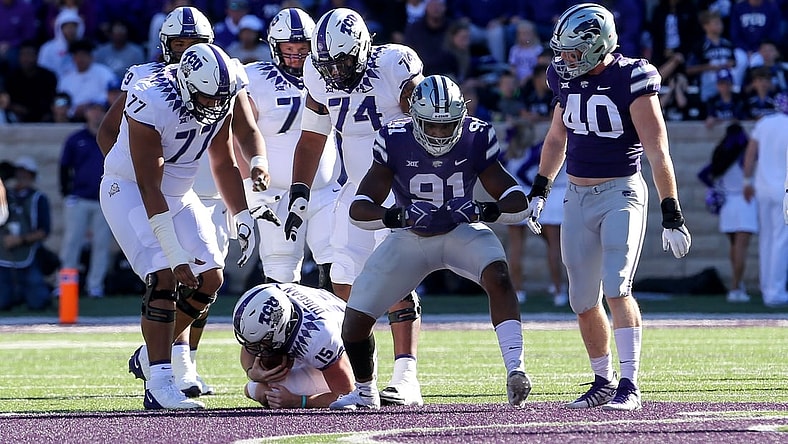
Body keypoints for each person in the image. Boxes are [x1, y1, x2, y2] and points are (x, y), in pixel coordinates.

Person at [98, 6, 272, 400]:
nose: (214, 106)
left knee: (211, 277)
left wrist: (241, 213)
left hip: (177, 191)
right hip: (129, 188)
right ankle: (159, 382)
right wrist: (174, 253)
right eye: (208, 98)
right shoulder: (150, 98)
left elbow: (224, 159)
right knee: (163, 274)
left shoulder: (221, 87)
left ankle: (149, 355)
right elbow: (148, 184)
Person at [328, 74, 532, 410]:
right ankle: (365, 392)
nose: (439, 133)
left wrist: (483, 209)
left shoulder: (475, 135)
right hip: (411, 237)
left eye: (447, 125)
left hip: (458, 232)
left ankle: (516, 370)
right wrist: (399, 217)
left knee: (498, 274)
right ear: (414, 117)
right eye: (432, 126)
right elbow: (359, 208)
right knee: (354, 321)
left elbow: (515, 199)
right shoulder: (394, 138)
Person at [526, 4, 691, 411]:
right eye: (560, 52)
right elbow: (554, 139)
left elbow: (657, 148)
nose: (563, 60)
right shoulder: (563, 78)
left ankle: (630, 385)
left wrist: (672, 211)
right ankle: (603, 380)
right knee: (582, 301)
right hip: (577, 198)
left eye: (571, 52)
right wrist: (540, 190)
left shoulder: (631, 76)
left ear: (596, 46)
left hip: (621, 192)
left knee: (617, 286)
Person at [287, 7, 425, 406]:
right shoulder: (316, 71)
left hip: (400, 187)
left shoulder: (395, 66)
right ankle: (363, 385)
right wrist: (299, 191)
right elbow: (313, 138)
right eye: (328, 62)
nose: (335, 71)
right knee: (344, 281)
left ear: (364, 49)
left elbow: (431, 121)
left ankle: (406, 375)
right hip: (356, 191)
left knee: (396, 280)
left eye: (344, 61)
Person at [243, 7, 339, 289]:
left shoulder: (331, 76)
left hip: (324, 189)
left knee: (338, 266)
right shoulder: (254, 78)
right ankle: (283, 334)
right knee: (281, 269)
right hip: (276, 192)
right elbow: (240, 134)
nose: (296, 53)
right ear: (275, 47)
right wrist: (250, 185)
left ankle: (339, 332)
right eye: (289, 47)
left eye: (303, 46)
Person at [233, 282, 355, 408]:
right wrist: (251, 372)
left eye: (263, 341)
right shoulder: (270, 294)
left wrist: (299, 401)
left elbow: (348, 395)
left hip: (349, 358)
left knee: (265, 390)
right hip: (332, 321)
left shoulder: (317, 338)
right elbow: (252, 341)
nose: (256, 348)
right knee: (259, 383)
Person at [58, 101, 113, 299]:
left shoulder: (111, 137)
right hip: (79, 197)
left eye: (100, 110)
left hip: (103, 199)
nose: (96, 114)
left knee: (101, 244)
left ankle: (95, 286)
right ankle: (64, 284)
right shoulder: (76, 139)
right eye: (93, 110)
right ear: (86, 113)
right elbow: (64, 167)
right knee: (72, 242)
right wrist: (66, 193)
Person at [698, 123, 756, 303]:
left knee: (734, 246)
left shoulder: (721, 152)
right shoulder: (746, 154)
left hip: (728, 203)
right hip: (745, 201)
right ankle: (735, 287)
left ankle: (737, 285)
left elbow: (703, 174)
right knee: (741, 247)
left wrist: (716, 189)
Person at [743, 93, 788, 308]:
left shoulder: (764, 123)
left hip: (762, 188)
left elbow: (750, 154)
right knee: (781, 241)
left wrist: (746, 181)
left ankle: (766, 288)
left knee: (767, 239)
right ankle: (776, 292)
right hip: (783, 191)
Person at [0, 157, 52, 311]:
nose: (22, 176)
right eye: (19, 172)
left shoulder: (39, 198)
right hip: (3, 255)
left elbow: (44, 231)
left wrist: (20, 239)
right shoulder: (5, 195)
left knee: (38, 302)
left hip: (28, 254)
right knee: (2, 303)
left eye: (27, 173)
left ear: (33, 176)